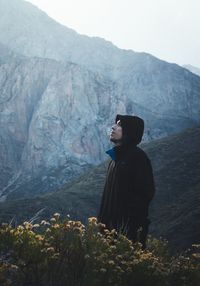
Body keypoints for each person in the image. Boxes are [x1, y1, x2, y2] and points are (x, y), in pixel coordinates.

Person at [97, 114, 156, 250]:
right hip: (108, 234)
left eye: (119, 125)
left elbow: (146, 193)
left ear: (129, 131)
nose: (113, 127)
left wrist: (128, 226)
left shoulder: (138, 158)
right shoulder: (114, 160)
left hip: (127, 236)